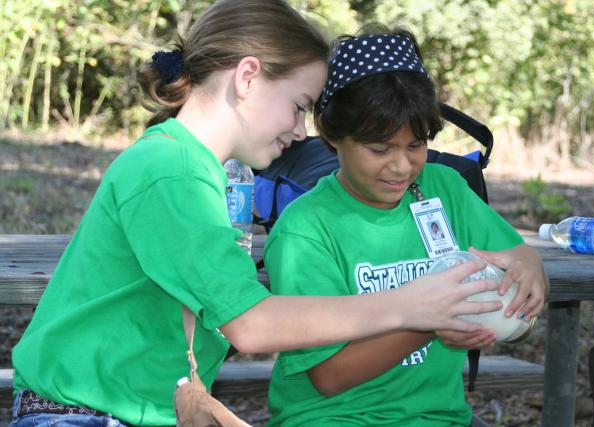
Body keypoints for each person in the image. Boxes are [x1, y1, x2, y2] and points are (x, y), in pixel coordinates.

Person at [8, 3, 506, 427]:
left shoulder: (198, 171)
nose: (299, 130)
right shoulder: (170, 170)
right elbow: (250, 325)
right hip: (77, 413)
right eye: (298, 106)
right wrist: (413, 306)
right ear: (247, 77)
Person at [264, 27, 548, 426]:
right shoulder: (306, 230)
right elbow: (328, 376)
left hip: (438, 417)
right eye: (379, 149)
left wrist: (528, 262)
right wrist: (430, 323)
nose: (401, 166)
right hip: (335, 418)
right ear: (332, 134)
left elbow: (511, 255)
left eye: (415, 145)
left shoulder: (444, 189)